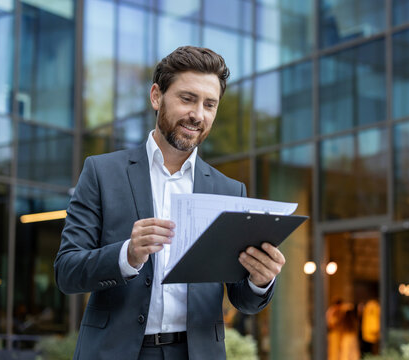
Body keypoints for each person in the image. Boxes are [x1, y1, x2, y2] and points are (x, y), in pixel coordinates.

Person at [54, 46, 286, 360]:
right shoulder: (102, 173)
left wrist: (261, 280)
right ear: (156, 96)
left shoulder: (229, 190)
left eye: (210, 104)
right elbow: (67, 272)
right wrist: (128, 254)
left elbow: (243, 299)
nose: (198, 114)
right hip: (116, 352)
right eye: (187, 98)